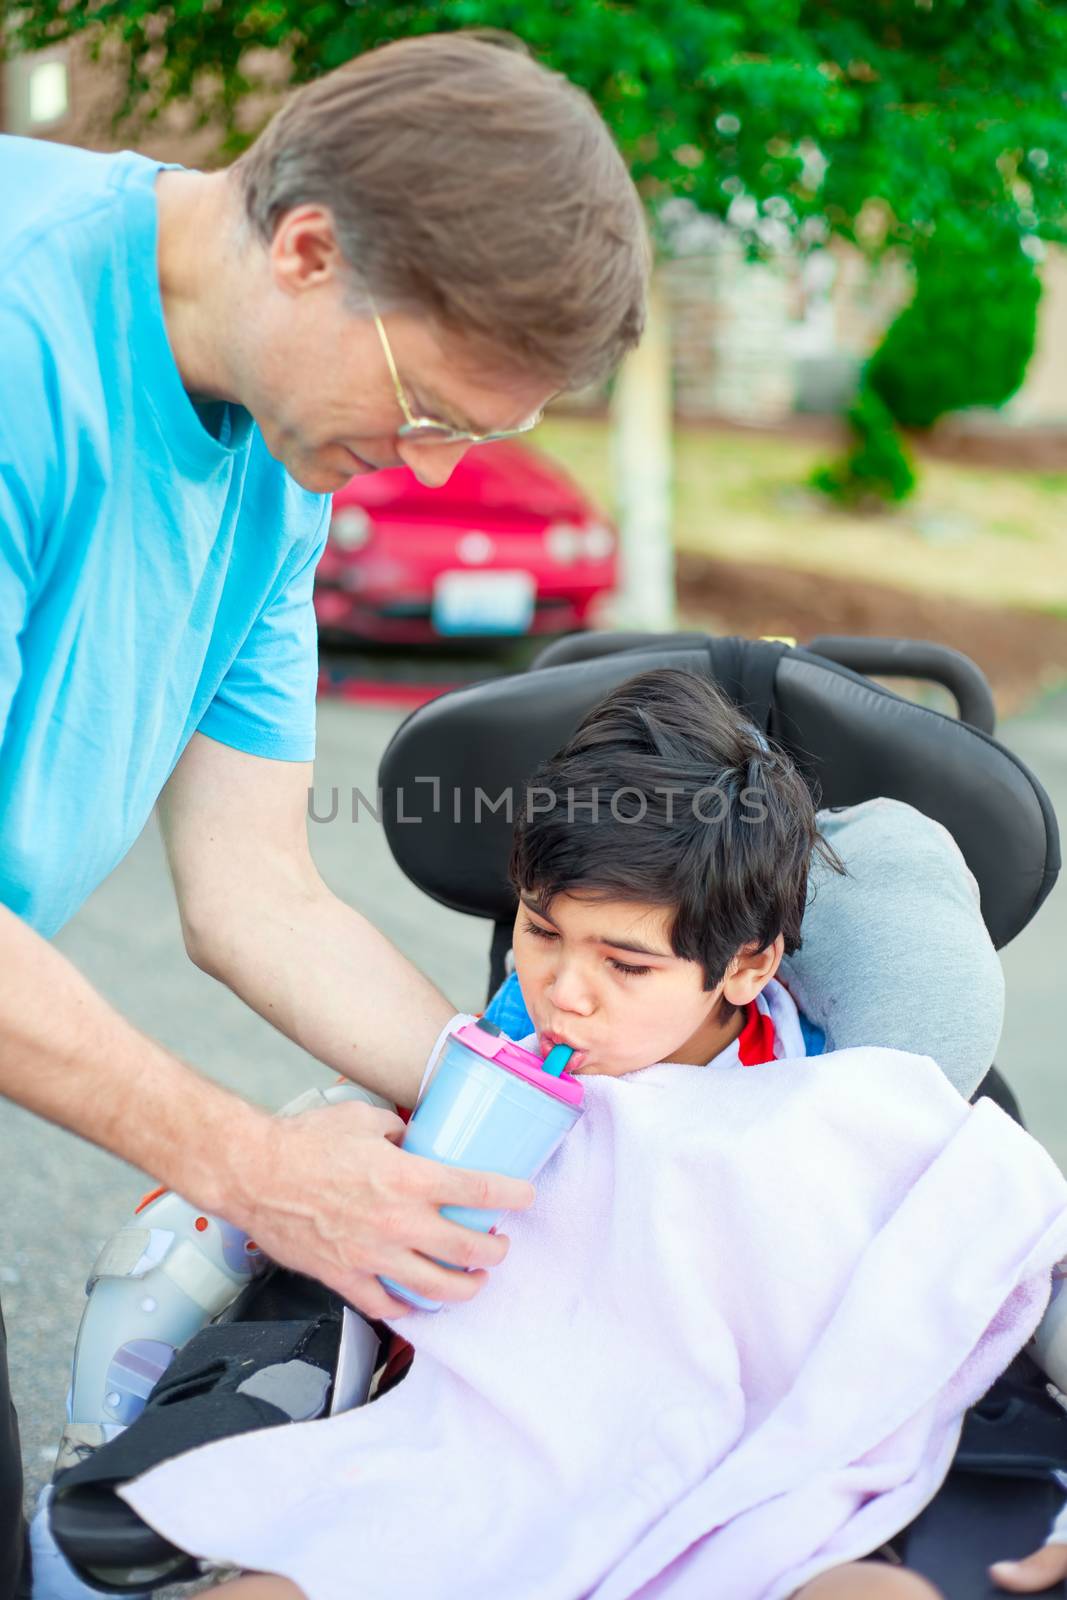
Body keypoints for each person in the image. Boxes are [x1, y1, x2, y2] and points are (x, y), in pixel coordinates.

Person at [0, 31, 649, 1595]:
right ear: (307, 249)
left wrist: (544, 1120)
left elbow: (256, 894)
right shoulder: (21, 342)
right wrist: (258, 1165)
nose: (428, 474)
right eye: (429, 408)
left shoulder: (289, 457)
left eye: (475, 440)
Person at [112, 669, 1067, 1600]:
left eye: (626, 964)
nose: (562, 994)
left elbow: (1021, 1241)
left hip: (753, 1477)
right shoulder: (489, 1083)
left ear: (746, 965)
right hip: (491, 1454)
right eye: (540, 931)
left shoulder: (844, 1103)